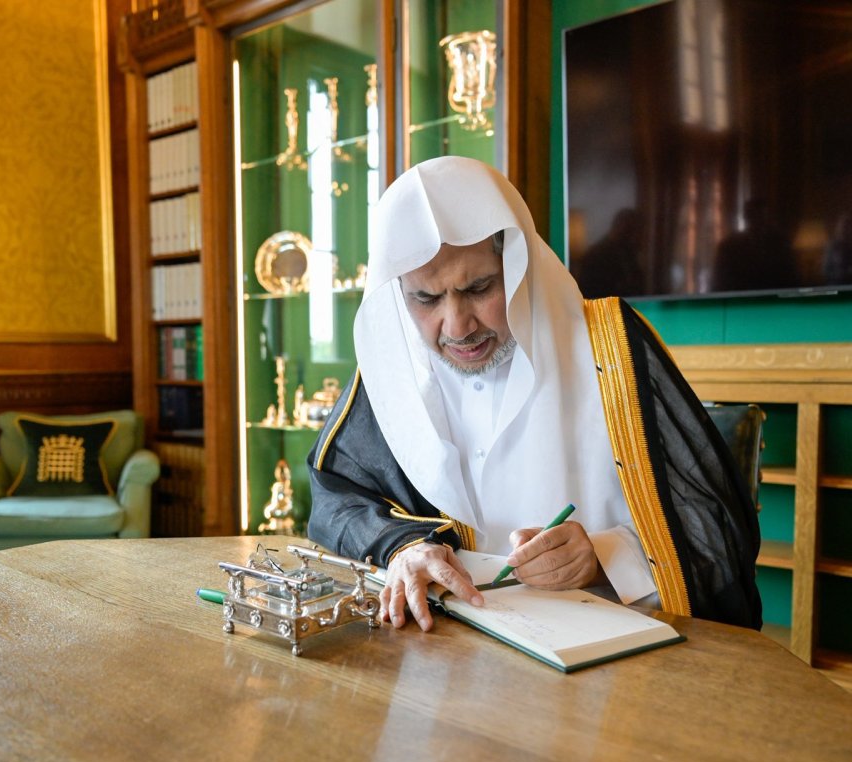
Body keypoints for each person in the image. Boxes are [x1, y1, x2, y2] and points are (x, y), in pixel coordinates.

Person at [307, 156, 761, 631]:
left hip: (609, 661)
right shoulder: (393, 369)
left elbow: (716, 523)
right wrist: (403, 546)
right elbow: (337, 496)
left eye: (479, 287)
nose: (457, 326)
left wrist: (606, 555)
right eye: (427, 299)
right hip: (451, 656)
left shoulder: (612, 345)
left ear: (517, 262)